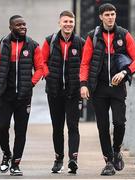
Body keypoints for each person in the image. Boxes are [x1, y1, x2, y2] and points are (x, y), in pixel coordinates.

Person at [80, 3, 135, 176]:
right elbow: (84, 63)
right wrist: (83, 84)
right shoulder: (92, 36)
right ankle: (108, 162)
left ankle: (116, 151)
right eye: (107, 14)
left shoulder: (124, 34)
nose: (110, 17)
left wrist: (125, 72)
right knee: (102, 126)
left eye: (112, 14)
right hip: (98, 89)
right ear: (100, 17)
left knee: (119, 122)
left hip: (117, 88)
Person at [0, 15, 43, 176]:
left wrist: (31, 83)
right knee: (2, 128)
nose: (22, 27)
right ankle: (6, 154)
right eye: (18, 25)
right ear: (11, 27)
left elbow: (40, 68)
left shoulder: (33, 45)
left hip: (24, 97)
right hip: (5, 96)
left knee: (21, 131)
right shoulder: (2, 44)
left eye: (24, 24)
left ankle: (15, 163)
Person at [42, 10, 84, 174]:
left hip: (73, 92)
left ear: (74, 24)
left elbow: (85, 64)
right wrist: (48, 75)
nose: (68, 25)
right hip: (54, 91)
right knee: (57, 127)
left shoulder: (80, 42)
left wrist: (82, 84)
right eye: (65, 21)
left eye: (71, 22)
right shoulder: (50, 41)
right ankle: (58, 159)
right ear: (59, 23)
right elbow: (42, 62)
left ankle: (73, 159)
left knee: (73, 126)